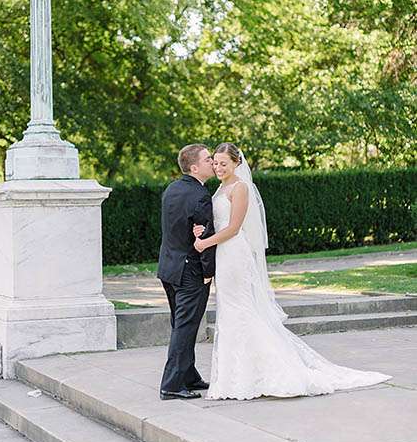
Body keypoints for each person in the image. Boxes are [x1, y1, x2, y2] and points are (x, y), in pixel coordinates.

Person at [194, 142, 391, 400]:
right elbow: (218, 222)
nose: (219, 167)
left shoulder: (240, 188)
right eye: (216, 163)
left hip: (234, 253)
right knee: (230, 312)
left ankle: (271, 373)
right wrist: (203, 232)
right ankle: (239, 376)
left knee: (241, 310)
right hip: (223, 254)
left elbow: (233, 228)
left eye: (224, 163)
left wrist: (204, 243)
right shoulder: (220, 188)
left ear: (236, 164)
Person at [157, 143, 217, 400]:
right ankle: (171, 385)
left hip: (168, 268)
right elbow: (203, 237)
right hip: (190, 271)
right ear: (194, 167)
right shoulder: (200, 196)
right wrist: (208, 271)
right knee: (185, 327)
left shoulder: (172, 189)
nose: (212, 161)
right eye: (207, 159)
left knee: (181, 325)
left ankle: (188, 375)